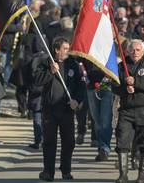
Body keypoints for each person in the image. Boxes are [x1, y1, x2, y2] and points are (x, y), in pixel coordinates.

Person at [34, 37, 85, 181]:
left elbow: (80, 86)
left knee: (69, 141)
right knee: (50, 142)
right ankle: (48, 172)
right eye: (65, 49)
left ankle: (66, 170)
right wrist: (50, 72)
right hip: (50, 109)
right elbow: (37, 81)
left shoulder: (73, 64)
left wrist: (77, 100)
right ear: (57, 50)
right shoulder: (45, 63)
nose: (68, 51)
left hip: (67, 109)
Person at [113, 40, 144, 183]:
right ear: (127, 51)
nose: (135, 53)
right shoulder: (121, 66)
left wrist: (135, 82)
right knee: (122, 142)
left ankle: (142, 174)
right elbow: (114, 86)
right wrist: (125, 87)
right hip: (126, 110)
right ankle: (123, 174)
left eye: (138, 50)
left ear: (143, 51)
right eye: (132, 50)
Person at [85, 62, 114, 162]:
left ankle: (104, 149)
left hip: (107, 86)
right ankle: (101, 147)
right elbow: (80, 59)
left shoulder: (110, 46)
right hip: (91, 86)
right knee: (96, 120)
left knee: (105, 120)